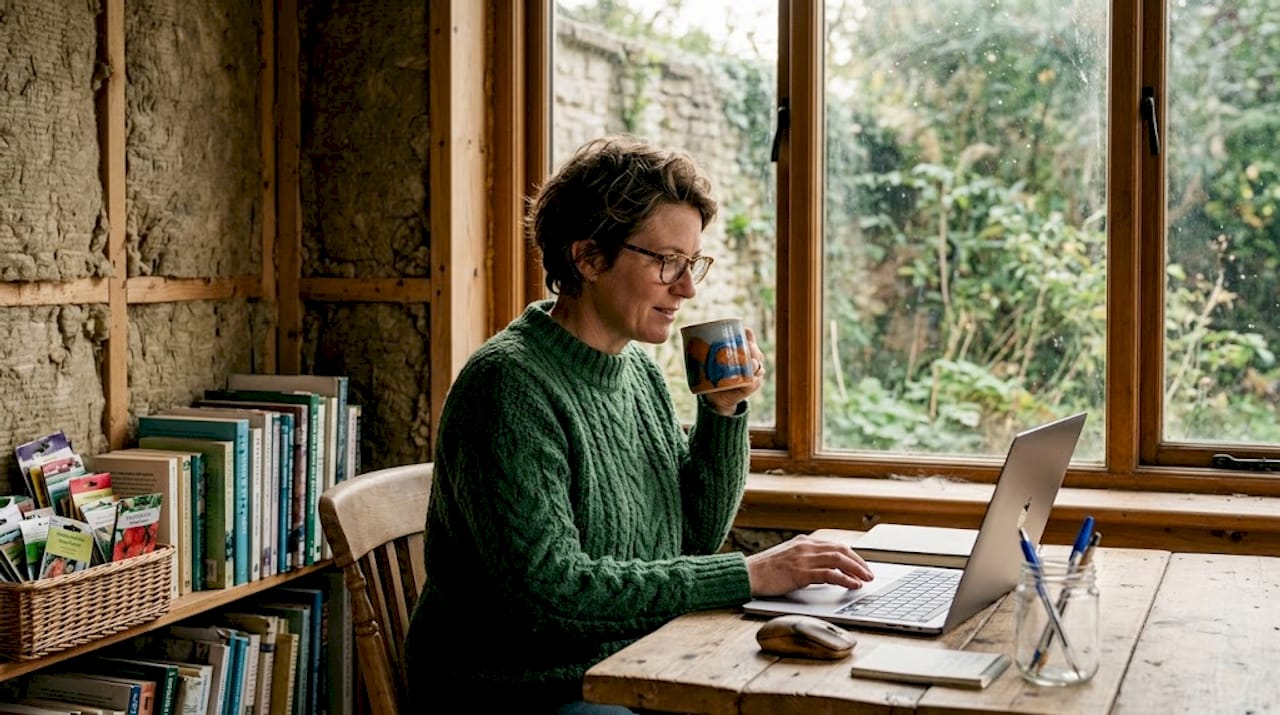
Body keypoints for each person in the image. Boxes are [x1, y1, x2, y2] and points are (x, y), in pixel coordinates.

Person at [404, 136, 873, 713]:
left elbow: (691, 538)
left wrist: (723, 412)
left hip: (630, 663)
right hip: (519, 691)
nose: (687, 287)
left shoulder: (637, 372)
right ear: (588, 258)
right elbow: (552, 593)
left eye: (693, 263)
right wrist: (750, 575)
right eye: (666, 261)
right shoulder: (508, 385)